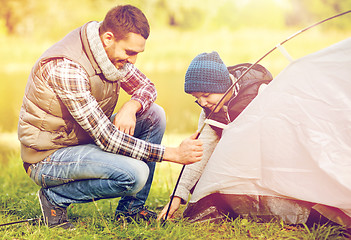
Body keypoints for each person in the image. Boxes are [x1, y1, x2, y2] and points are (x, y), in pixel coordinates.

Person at [18, 5, 203, 229]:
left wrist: (131, 106)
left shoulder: (111, 55)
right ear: (108, 38)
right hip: (46, 158)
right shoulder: (68, 68)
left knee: (154, 114)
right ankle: (54, 199)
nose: (133, 60)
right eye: (130, 52)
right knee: (136, 174)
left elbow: (147, 87)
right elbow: (107, 138)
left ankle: (131, 210)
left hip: (82, 141)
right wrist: (173, 154)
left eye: (137, 53)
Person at [158, 51, 273, 220]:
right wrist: (177, 197)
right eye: (196, 98)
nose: (202, 103)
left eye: (206, 95)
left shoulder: (260, 93)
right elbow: (200, 152)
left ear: (224, 86)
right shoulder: (209, 111)